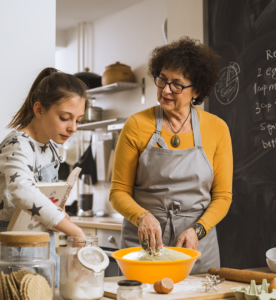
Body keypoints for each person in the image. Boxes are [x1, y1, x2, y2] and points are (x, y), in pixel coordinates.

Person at [109, 37, 233, 273]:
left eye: (177, 84)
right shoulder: (136, 125)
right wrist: (142, 217)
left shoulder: (217, 128)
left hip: (196, 245)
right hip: (144, 243)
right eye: (162, 79)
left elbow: (223, 196)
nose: (166, 89)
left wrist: (197, 230)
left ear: (196, 89)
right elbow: (118, 192)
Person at [0, 67, 87, 287]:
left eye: (78, 120)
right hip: (11, 245)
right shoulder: (17, 144)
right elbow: (22, 189)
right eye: (65, 118)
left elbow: (47, 196)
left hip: (41, 243)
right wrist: (73, 229)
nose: (73, 127)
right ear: (39, 109)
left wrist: (60, 210)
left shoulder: (51, 147)